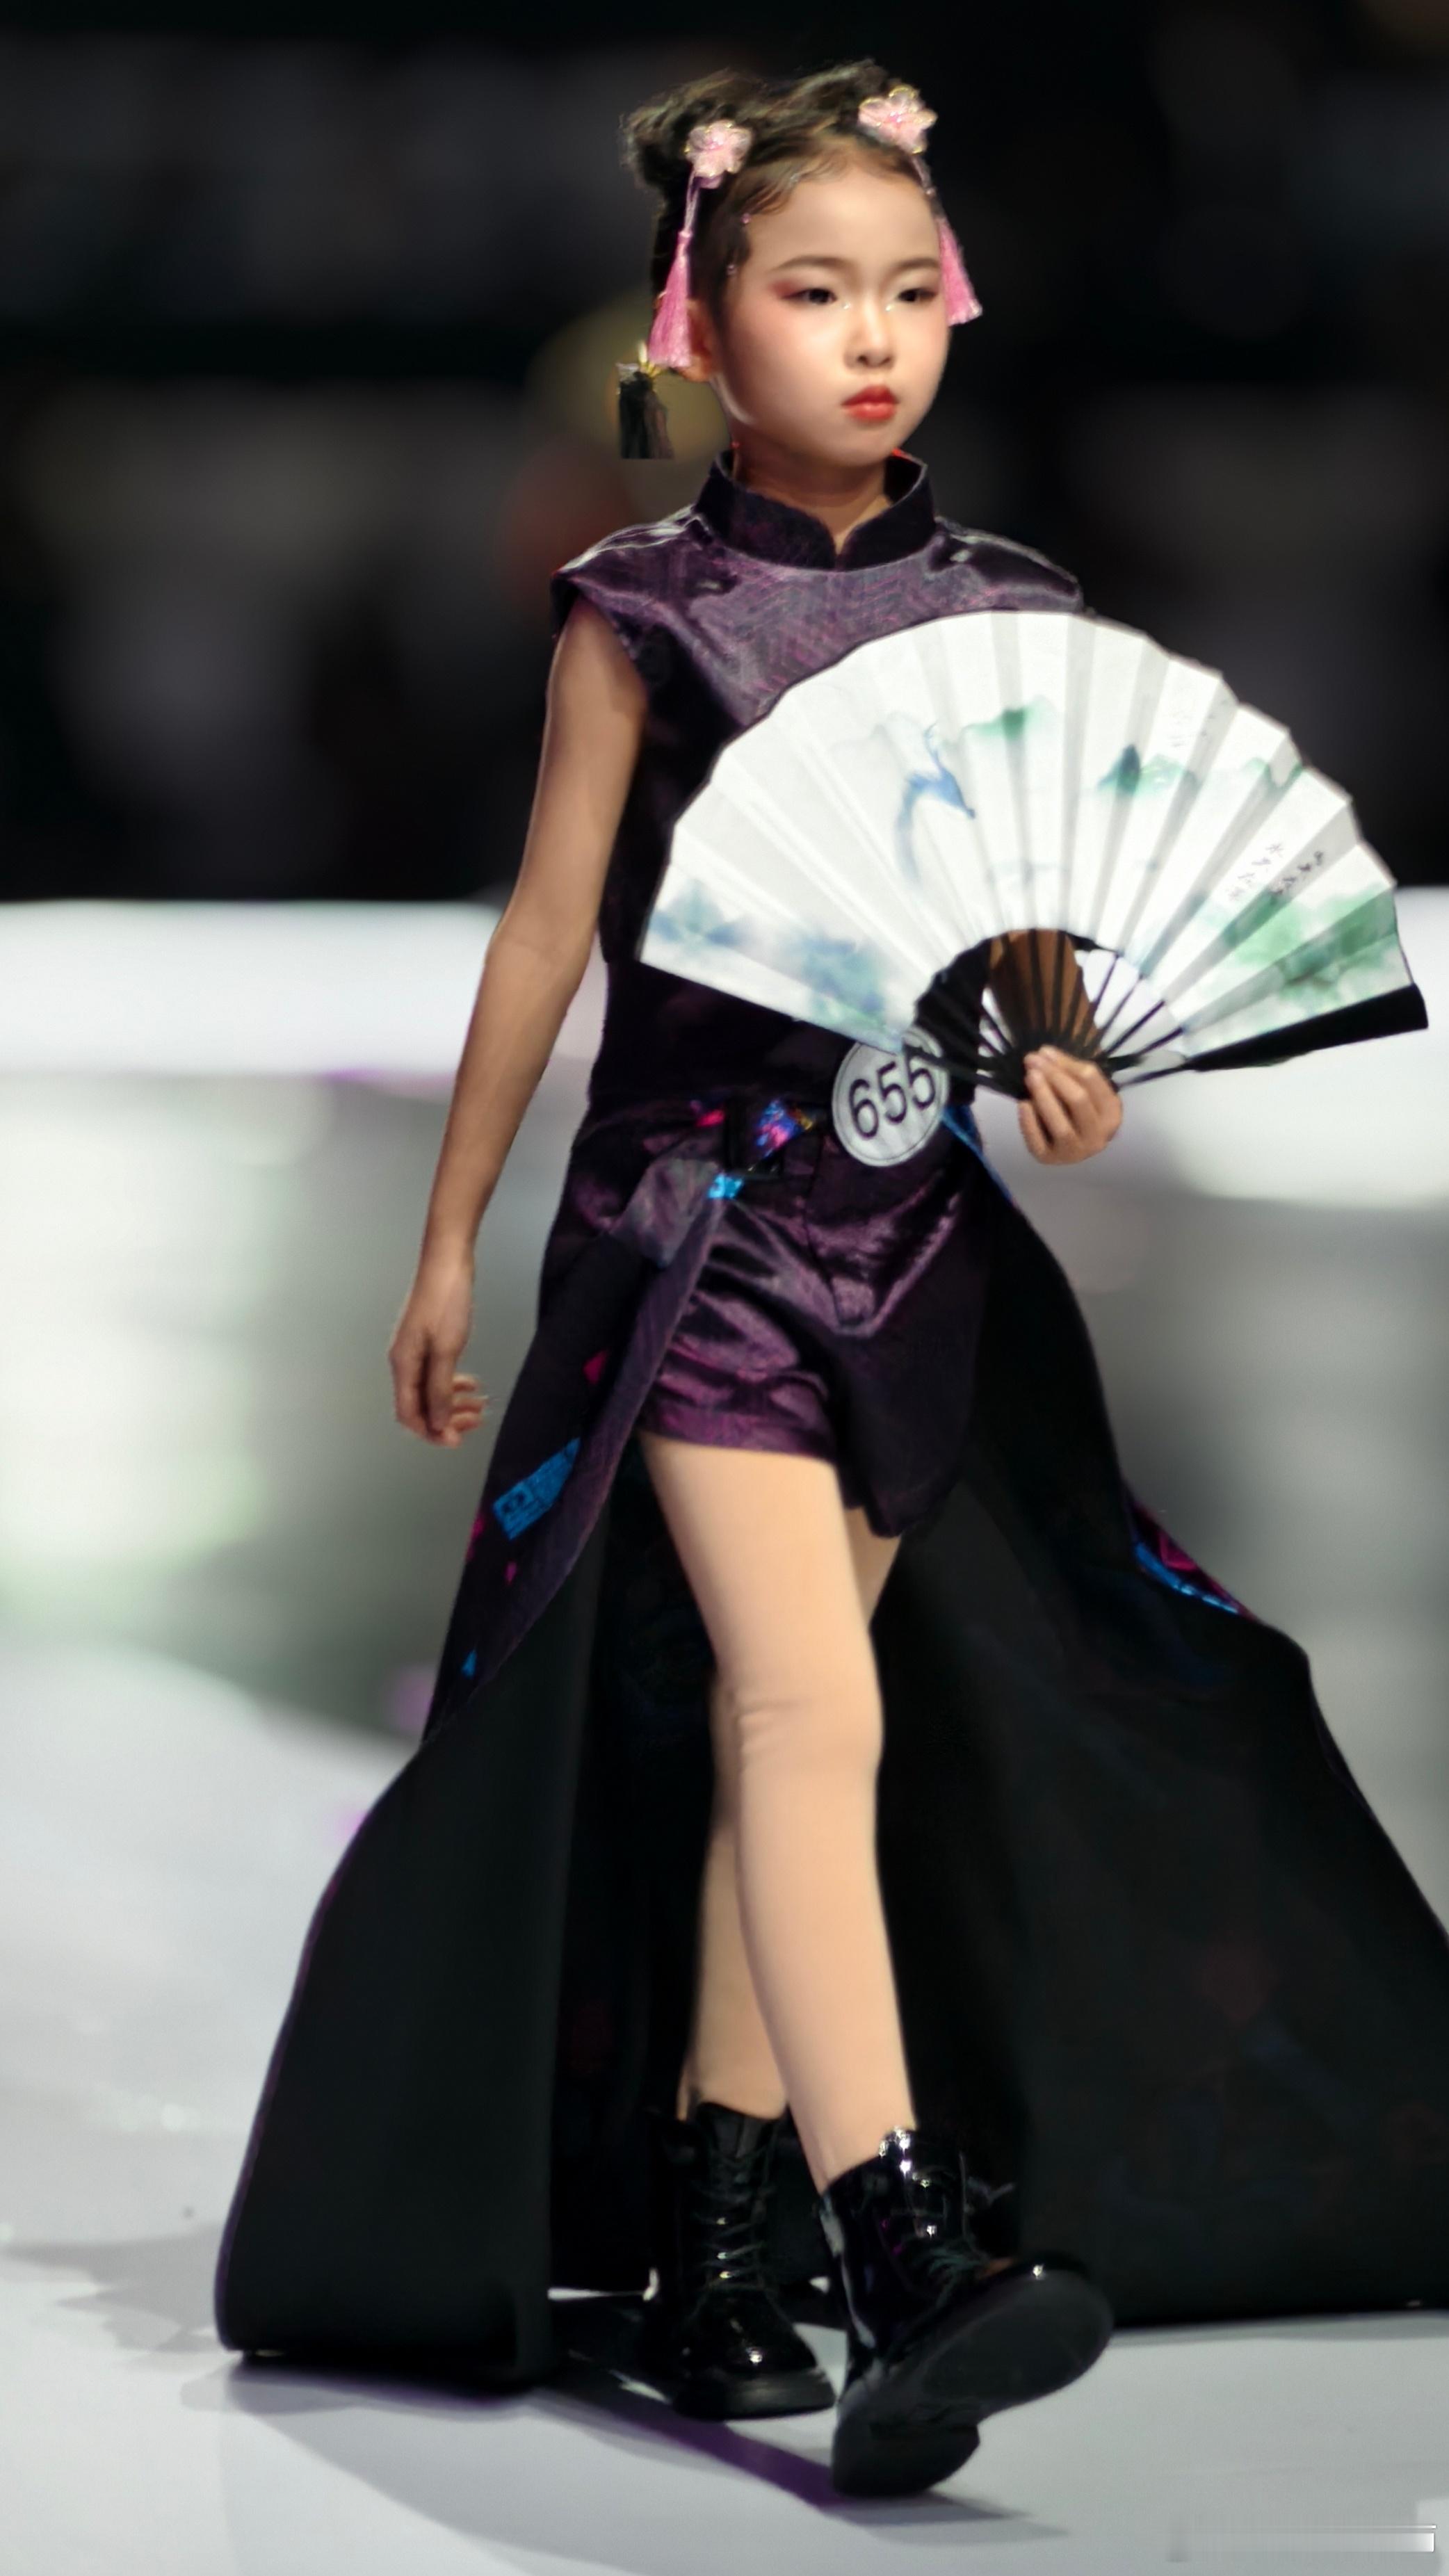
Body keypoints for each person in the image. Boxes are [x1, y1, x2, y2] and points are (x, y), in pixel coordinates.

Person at [213, 60, 1449, 2505]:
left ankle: (708, 2243)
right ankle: (905, 2251)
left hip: (913, 1247)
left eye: (907, 291)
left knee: (795, 1734)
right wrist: (452, 1233)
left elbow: (1019, 945)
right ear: (703, 321)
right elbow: (548, 936)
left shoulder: (1007, 614)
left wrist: (1058, 1061)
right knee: (804, 1708)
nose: (870, 336)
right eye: (813, 290)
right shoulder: (641, 615)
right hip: (701, 1233)